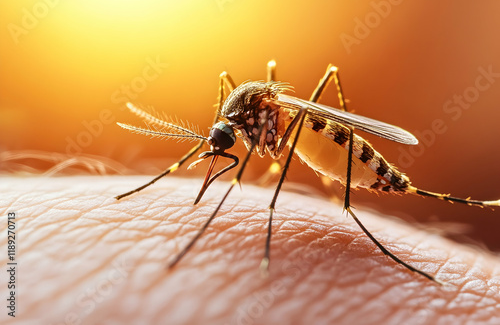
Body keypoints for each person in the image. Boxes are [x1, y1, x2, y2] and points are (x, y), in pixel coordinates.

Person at [4, 175, 499, 325]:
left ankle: (454, 197)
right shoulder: (238, 120)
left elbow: (258, 172)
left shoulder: (254, 125)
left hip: (333, 142)